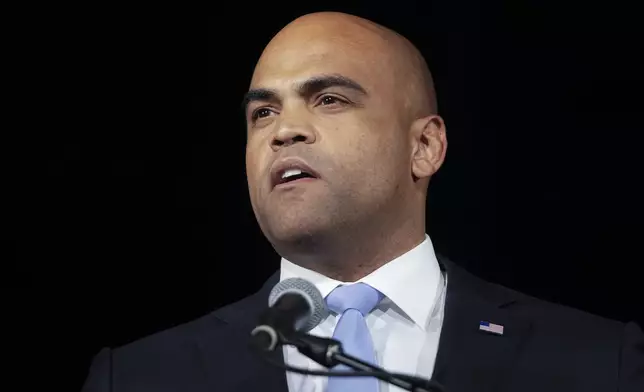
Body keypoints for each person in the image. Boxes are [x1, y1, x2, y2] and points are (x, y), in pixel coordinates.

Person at [81, 11, 643, 392]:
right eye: (263, 113)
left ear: (424, 146)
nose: (283, 132)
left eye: (327, 99)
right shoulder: (140, 376)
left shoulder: (595, 362)